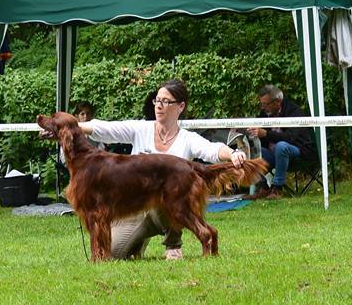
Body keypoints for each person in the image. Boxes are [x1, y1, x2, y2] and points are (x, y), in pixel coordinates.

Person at [75, 78, 247, 260]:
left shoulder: (187, 138)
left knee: (168, 190)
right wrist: (73, 126)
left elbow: (211, 149)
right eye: (157, 100)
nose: (159, 106)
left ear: (180, 107)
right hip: (135, 209)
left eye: (165, 101)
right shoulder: (142, 129)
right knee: (115, 253)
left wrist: (232, 153)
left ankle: (173, 245)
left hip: (166, 208)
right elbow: (107, 129)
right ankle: (138, 242)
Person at [245, 84, 315, 200]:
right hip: (272, 154)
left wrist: (266, 134)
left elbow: (290, 138)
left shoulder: (294, 111)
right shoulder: (265, 114)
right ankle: (262, 187)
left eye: (266, 104)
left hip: (297, 150)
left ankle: (277, 188)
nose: (263, 107)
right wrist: (251, 132)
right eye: (262, 104)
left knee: (281, 146)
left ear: (277, 102)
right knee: (251, 149)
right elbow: (262, 138)